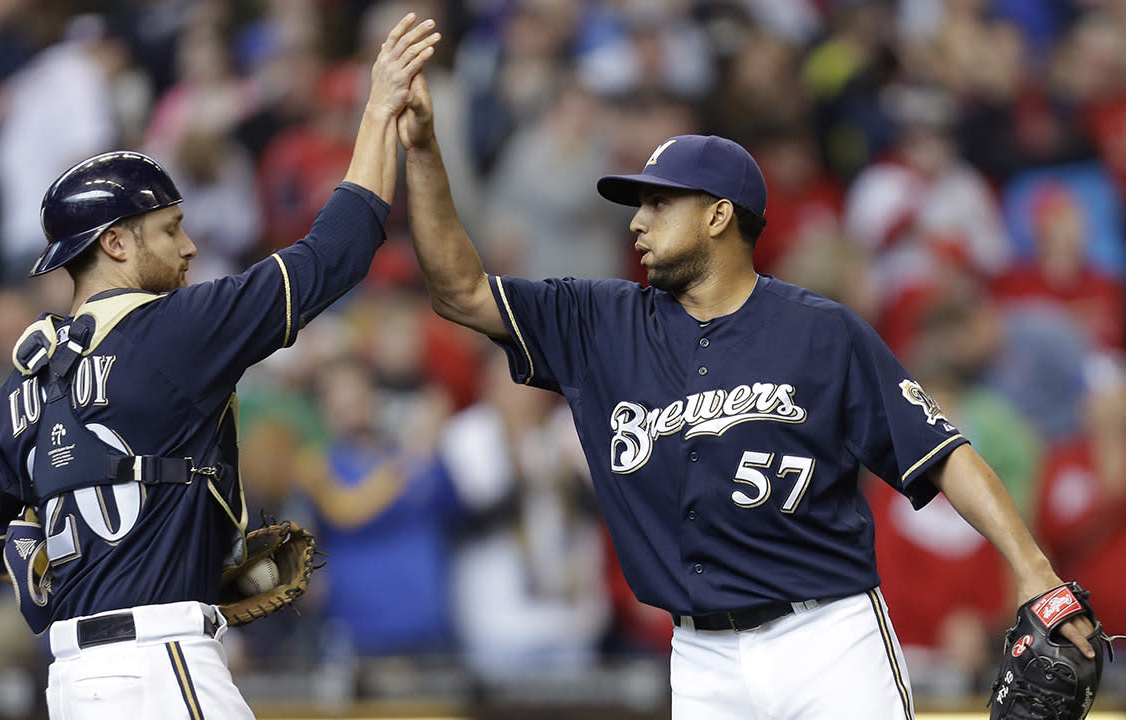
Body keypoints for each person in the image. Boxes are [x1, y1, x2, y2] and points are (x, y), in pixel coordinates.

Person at [396, 63, 1098, 718]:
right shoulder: (597, 321)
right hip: (700, 658)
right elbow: (458, 290)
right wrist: (426, 151)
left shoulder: (822, 333)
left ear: (718, 215)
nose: (637, 220)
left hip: (827, 637)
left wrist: (1036, 573)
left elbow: (944, 453)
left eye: (659, 202)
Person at [0, 14, 440, 719]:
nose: (188, 248)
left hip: (72, 681)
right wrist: (377, 109)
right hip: (161, 663)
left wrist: (126, 556)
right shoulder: (177, 331)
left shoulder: (21, 387)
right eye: (170, 228)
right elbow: (339, 250)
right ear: (117, 243)